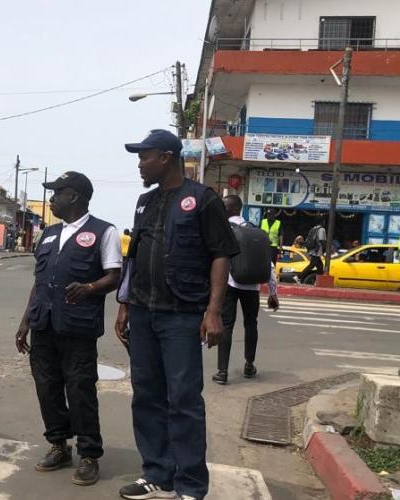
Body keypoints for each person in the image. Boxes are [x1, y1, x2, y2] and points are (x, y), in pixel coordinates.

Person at [115, 129, 239, 500]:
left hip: (181, 314)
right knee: (146, 395)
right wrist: (124, 305)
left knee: (184, 399)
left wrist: (213, 311)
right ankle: (157, 474)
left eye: (145, 156)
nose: (140, 163)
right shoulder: (144, 202)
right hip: (142, 311)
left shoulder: (202, 200)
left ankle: (190, 485)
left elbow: (220, 254)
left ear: (166, 157)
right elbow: (133, 257)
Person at [15, 171, 122, 487]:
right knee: (46, 386)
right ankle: (59, 445)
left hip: (78, 327)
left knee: (80, 389)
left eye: (56, 193)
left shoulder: (104, 231)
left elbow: (114, 276)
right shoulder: (49, 233)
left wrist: (90, 287)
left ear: (74, 196)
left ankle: (89, 455)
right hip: (43, 325)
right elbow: (39, 282)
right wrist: (24, 323)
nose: (52, 199)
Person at [213, 195, 280, 386]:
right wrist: (273, 293)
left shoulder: (224, 231)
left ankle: (222, 372)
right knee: (251, 324)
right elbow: (269, 265)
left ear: (227, 210)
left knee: (227, 325)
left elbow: (217, 260)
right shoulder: (254, 230)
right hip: (253, 286)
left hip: (231, 284)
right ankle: (249, 365)